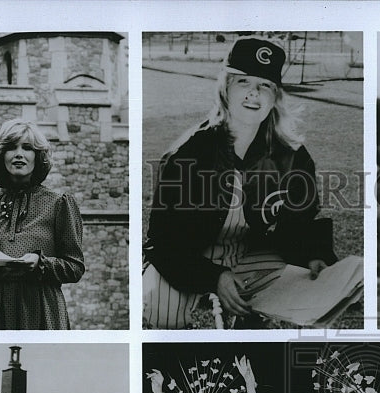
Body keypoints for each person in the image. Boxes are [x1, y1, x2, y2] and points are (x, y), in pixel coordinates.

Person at [143, 37, 337, 328]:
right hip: (189, 256)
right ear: (225, 89)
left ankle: (251, 329)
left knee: (303, 289)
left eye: (265, 86)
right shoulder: (188, 154)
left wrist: (313, 256)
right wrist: (213, 277)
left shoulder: (292, 157)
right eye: (243, 82)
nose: (253, 94)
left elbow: (302, 221)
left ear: (275, 98)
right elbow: (163, 243)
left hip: (249, 255)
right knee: (159, 309)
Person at [0, 119, 85, 330]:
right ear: (1, 156)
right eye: (11, 147)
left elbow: (74, 267)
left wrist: (41, 262)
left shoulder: (58, 204)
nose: (19, 154)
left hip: (41, 309)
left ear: (38, 156)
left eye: (27, 148)